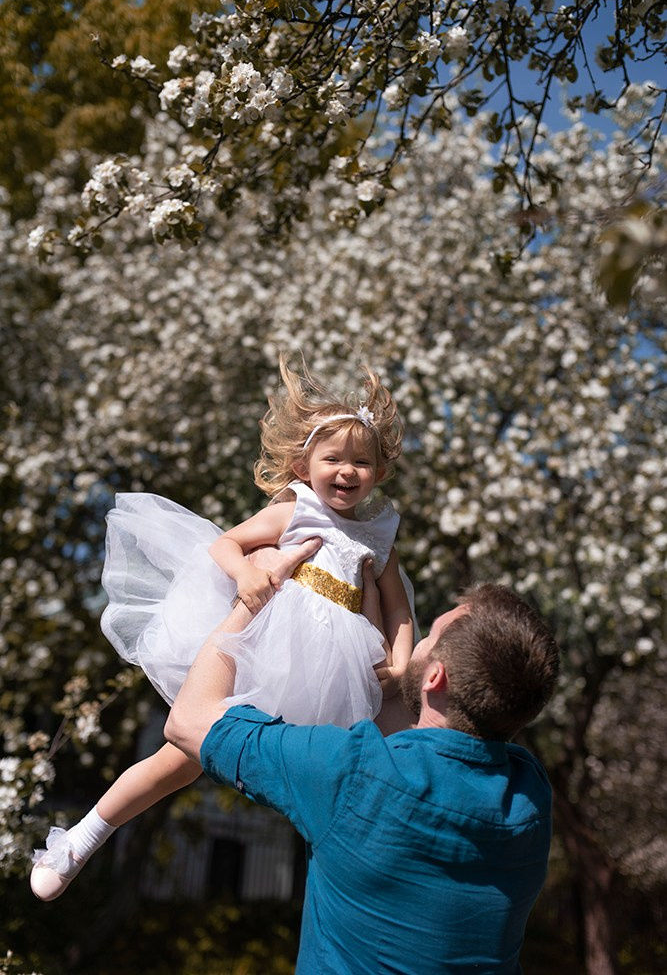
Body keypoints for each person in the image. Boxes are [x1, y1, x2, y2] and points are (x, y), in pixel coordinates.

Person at [31, 357, 415, 901]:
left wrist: (400, 661)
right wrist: (246, 574)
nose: (347, 471)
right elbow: (224, 543)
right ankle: (82, 838)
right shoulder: (295, 513)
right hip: (266, 647)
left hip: (338, 674)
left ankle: (376, 879)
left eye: (362, 461)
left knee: (343, 773)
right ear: (305, 467)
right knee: (183, 757)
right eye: (333, 459)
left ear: (379, 470)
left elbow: (398, 611)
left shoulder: (380, 538)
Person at [163, 548, 560, 975]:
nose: (419, 641)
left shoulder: (352, 773)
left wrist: (254, 595)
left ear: (435, 677)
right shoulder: (531, 794)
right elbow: (408, 732)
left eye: (429, 637)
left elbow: (188, 720)